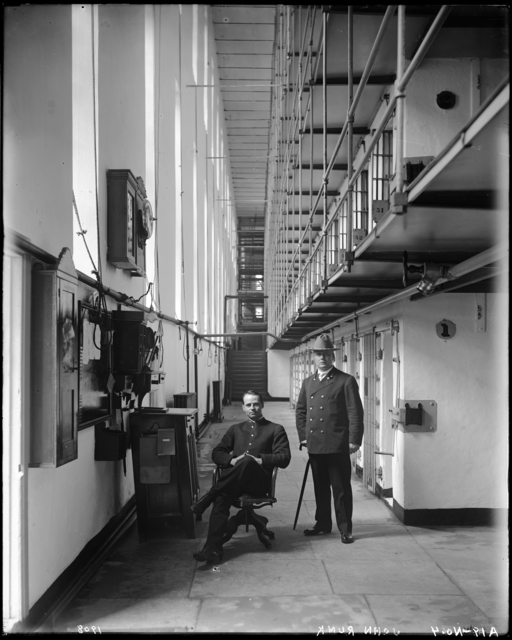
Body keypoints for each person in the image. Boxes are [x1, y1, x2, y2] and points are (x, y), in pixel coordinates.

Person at [191, 390, 291, 563]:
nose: (253, 408)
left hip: (258, 483)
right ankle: (212, 549)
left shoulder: (275, 429)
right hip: (234, 482)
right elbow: (217, 453)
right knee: (223, 497)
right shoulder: (235, 429)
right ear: (243, 407)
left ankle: (208, 497)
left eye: (256, 404)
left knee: (247, 461)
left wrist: (260, 460)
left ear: (262, 405)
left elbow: (284, 458)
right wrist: (231, 460)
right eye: (249, 405)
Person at [296, 333, 364, 544]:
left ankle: (345, 528)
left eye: (326, 354)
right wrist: (304, 437)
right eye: (318, 354)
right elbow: (301, 412)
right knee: (320, 488)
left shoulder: (346, 381)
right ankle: (323, 523)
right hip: (315, 445)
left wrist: (354, 440)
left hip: (337, 444)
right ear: (313, 358)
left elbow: (355, 413)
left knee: (341, 489)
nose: (322, 358)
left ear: (332, 357)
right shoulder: (308, 383)